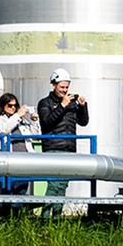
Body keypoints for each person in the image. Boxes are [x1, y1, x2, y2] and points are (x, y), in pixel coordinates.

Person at [36, 68, 89, 198]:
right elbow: (47, 122)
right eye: (61, 87)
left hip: (69, 148)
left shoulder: (71, 103)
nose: (65, 90)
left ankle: (56, 216)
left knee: (62, 185)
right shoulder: (45, 103)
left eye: (67, 87)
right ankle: (46, 216)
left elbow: (83, 122)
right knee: (55, 184)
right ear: (53, 84)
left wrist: (82, 107)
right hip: (53, 148)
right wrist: (62, 106)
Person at [0, 93, 39, 195]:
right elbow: (4, 129)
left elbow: (35, 135)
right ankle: (2, 210)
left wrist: (34, 121)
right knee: (4, 190)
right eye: (10, 105)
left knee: (21, 190)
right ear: (3, 106)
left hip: (24, 161)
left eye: (15, 105)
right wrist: (17, 115)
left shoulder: (21, 120)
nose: (13, 108)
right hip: (5, 160)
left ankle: (18, 210)